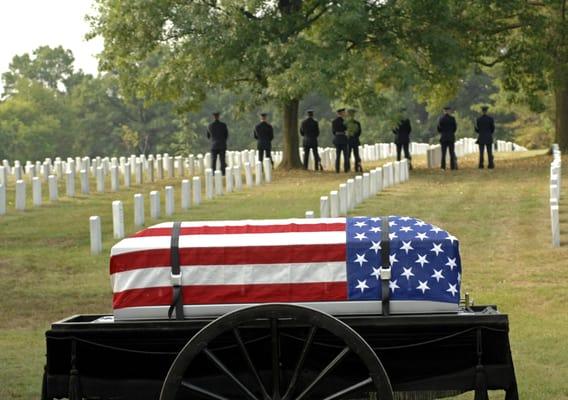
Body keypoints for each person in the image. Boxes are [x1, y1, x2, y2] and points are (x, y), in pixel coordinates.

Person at [437, 106, 458, 170]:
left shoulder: (441, 119)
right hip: (451, 137)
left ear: (444, 111)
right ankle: (452, 167)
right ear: (449, 111)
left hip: (443, 138)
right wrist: (451, 133)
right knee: (451, 153)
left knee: (443, 153)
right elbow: (455, 128)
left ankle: (443, 167)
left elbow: (439, 128)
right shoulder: (452, 118)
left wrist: (443, 133)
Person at [332, 108, 349, 173]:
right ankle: (346, 169)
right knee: (345, 155)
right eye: (344, 112)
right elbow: (346, 129)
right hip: (343, 139)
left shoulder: (334, 121)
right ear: (341, 113)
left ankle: (337, 169)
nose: (345, 113)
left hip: (337, 139)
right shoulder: (344, 121)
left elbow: (333, 132)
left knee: (338, 155)